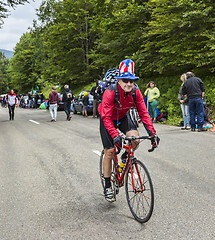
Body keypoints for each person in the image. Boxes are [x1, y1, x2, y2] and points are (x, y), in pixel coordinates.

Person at [98, 59, 159, 202]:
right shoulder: (110, 92)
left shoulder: (135, 92)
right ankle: (107, 185)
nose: (129, 84)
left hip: (123, 117)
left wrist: (152, 133)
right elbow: (106, 118)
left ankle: (125, 157)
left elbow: (144, 113)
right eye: (125, 80)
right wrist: (115, 136)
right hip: (107, 119)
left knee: (135, 139)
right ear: (119, 80)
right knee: (110, 151)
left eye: (131, 80)